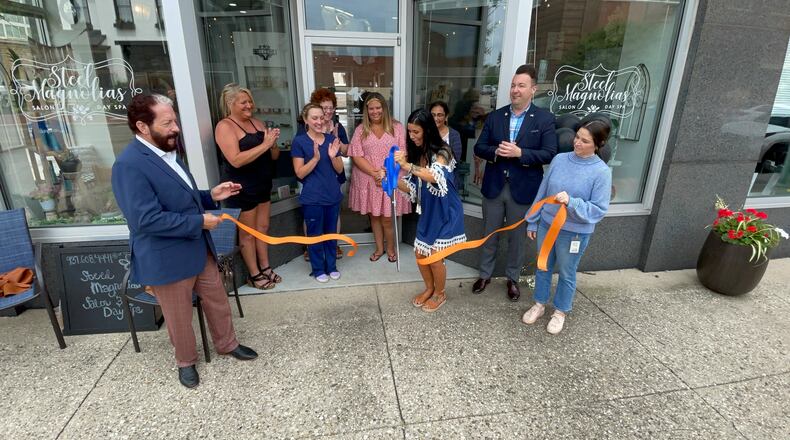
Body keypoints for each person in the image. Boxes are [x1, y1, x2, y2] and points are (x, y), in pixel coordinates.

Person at [111, 94, 258, 389]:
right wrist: (199, 222)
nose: (175, 128)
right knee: (178, 316)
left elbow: (181, 198)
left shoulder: (169, 153)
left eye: (174, 120)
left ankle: (227, 344)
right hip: (166, 256)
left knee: (217, 300)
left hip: (196, 247)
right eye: (167, 123)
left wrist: (210, 196)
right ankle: (186, 362)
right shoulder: (129, 165)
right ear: (142, 126)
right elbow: (145, 220)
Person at [472, 64, 558, 301]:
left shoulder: (544, 119)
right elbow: (480, 147)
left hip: (524, 189)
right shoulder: (496, 116)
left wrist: (521, 153)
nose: (515, 90)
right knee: (489, 233)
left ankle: (512, 279)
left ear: (533, 89)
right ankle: (485, 274)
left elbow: (550, 153)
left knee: (518, 239)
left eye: (521, 86)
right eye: (513, 85)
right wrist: (497, 153)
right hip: (494, 187)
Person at [522, 120, 612, 334]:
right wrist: (533, 220)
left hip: (574, 232)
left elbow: (598, 210)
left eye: (585, 140)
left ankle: (560, 311)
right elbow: (543, 192)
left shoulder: (601, 172)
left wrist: (572, 202)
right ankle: (540, 304)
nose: (577, 143)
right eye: (577, 136)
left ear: (597, 145)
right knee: (542, 265)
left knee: (566, 271)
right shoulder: (559, 160)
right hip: (546, 224)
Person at [394, 109, 466, 312]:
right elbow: (413, 187)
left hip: (447, 211)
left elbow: (434, 176)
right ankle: (429, 288)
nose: (412, 136)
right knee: (420, 253)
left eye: (416, 132)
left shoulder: (444, 151)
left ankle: (439, 293)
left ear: (427, 130)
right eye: (409, 132)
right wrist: (390, 180)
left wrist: (405, 165)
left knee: (434, 256)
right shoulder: (418, 154)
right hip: (429, 212)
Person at [214, 83, 282, 290]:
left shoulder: (258, 123)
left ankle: (265, 266)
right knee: (248, 233)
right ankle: (254, 274)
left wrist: (274, 143)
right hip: (241, 188)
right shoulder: (224, 126)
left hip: (262, 184)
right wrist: (264, 144)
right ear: (230, 103)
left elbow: (274, 156)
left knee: (262, 229)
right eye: (243, 102)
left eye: (250, 101)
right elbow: (235, 160)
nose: (249, 105)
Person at [348, 92, 411, 262]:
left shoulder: (397, 127)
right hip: (369, 179)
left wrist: (387, 172)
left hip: (391, 177)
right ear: (366, 110)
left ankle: (391, 249)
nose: (375, 111)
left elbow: (402, 153)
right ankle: (379, 248)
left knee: (388, 219)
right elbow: (356, 155)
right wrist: (375, 173)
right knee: (374, 217)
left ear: (384, 108)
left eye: (378, 107)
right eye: (371, 108)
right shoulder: (361, 129)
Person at [292, 103, 344, 282]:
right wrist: (315, 158)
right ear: (306, 120)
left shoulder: (331, 139)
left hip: (332, 196)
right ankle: (318, 269)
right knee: (314, 236)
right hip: (313, 198)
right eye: (314, 118)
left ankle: (331, 266)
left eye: (321, 117)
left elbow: (339, 170)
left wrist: (332, 156)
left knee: (331, 234)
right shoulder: (299, 141)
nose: (319, 121)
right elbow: (299, 173)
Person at [297, 88, 349, 261]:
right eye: (323, 108)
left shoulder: (338, 126)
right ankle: (310, 247)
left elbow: (347, 151)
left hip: (334, 172)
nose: (327, 112)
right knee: (313, 213)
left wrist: (336, 140)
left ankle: (333, 245)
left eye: (330, 107)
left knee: (333, 212)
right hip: (315, 175)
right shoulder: (306, 128)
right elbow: (301, 153)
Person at [429, 100, 463, 188]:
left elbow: (455, 160)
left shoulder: (454, 135)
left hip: (449, 182)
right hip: (428, 180)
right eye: (433, 115)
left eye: (440, 115)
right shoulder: (426, 133)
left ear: (446, 117)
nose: (436, 118)